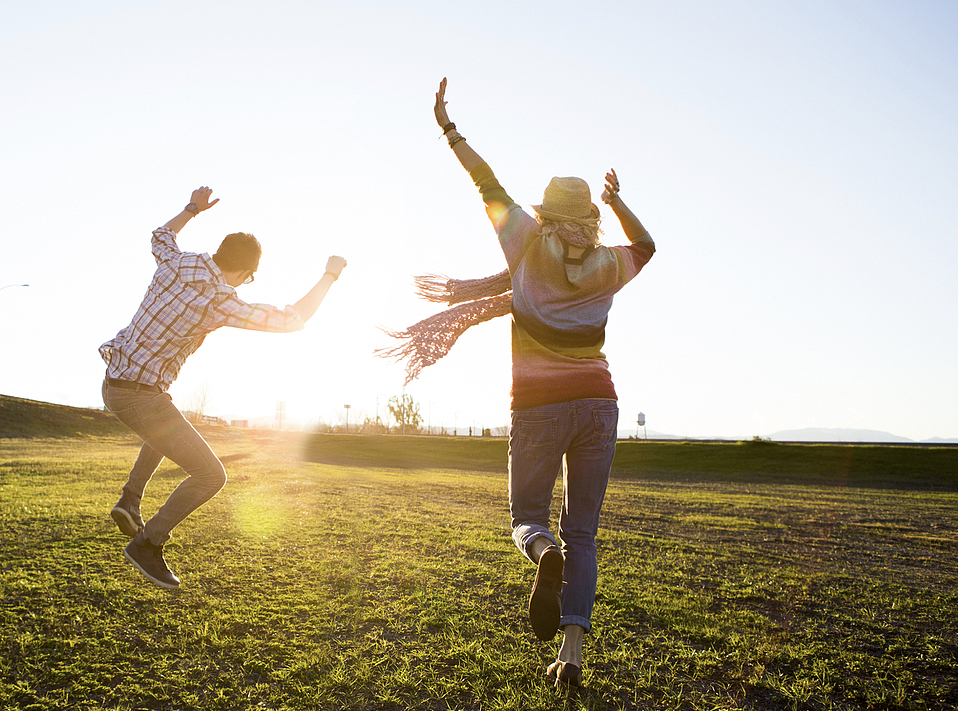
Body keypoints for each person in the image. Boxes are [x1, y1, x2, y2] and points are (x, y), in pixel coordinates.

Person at [387, 79, 655, 687]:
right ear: (587, 214)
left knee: (526, 516)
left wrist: (449, 129)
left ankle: (543, 555)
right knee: (584, 530)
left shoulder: (525, 242)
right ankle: (573, 654)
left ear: (544, 211)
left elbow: (485, 182)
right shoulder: (609, 262)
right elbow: (647, 244)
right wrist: (615, 202)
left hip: (537, 405)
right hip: (599, 403)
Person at [99, 186, 346, 590]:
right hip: (138, 394)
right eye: (249, 280)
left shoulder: (176, 263)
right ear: (246, 273)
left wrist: (193, 208)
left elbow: (160, 235)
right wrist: (329, 275)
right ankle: (148, 543)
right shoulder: (220, 299)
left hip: (115, 383)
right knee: (211, 475)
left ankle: (130, 498)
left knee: (167, 426)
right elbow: (290, 320)